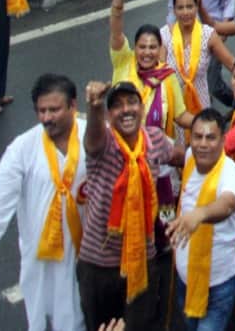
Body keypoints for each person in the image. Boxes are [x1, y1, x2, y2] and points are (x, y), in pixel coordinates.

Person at [0, 74, 87, 330]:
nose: (46, 117)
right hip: (40, 254)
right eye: (41, 111)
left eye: (54, 109)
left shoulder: (92, 139)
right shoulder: (21, 149)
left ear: (73, 106)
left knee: (76, 319)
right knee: (38, 319)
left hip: (84, 252)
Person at [77, 80, 179, 330]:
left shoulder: (154, 138)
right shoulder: (104, 142)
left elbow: (180, 155)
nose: (126, 110)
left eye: (132, 102)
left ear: (142, 108)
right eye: (117, 106)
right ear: (109, 115)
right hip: (99, 265)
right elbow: (93, 137)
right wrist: (94, 106)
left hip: (142, 260)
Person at [169, 109, 235, 329]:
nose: (202, 144)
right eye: (197, 136)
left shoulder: (232, 176)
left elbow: (227, 204)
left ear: (223, 139)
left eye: (210, 137)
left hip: (218, 287)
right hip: (185, 278)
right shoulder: (189, 158)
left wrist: (200, 214)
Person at [109, 0, 190, 143]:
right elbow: (116, 34)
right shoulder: (124, 61)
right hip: (122, 147)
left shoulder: (167, 77)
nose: (147, 52)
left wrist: (205, 122)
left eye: (152, 47)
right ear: (134, 48)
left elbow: (180, 115)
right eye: (142, 47)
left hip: (157, 153)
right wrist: (118, 3)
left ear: (160, 49)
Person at [162, 0, 235, 116]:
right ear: (174, 10)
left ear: (197, 7)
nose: (185, 12)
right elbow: (158, 73)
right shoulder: (165, 35)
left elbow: (232, 64)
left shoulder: (208, 35)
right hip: (174, 110)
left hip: (201, 107)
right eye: (180, 8)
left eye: (190, 6)